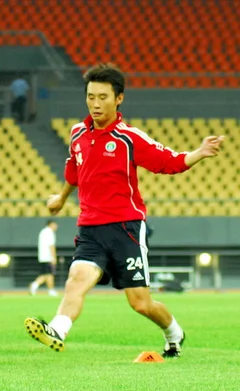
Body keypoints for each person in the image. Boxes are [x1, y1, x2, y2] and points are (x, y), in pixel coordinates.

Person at [24, 63, 224, 358]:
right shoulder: (77, 133)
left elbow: (167, 162)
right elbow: (74, 169)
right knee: (76, 280)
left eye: (103, 97)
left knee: (140, 303)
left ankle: (174, 333)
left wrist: (200, 153)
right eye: (91, 96)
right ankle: (57, 329)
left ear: (119, 99)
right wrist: (63, 197)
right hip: (90, 227)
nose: (95, 103)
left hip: (126, 228)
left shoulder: (130, 138)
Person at [29, 219, 58, 297]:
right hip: (48, 257)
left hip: (42, 256)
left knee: (47, 274)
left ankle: (49, 289)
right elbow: (51, 245)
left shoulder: (43, 232)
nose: (56, 227)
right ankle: (36, 285)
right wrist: (53, 257)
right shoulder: (49, 232)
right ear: (51, 224)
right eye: (55, 225)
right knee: (48, 274)